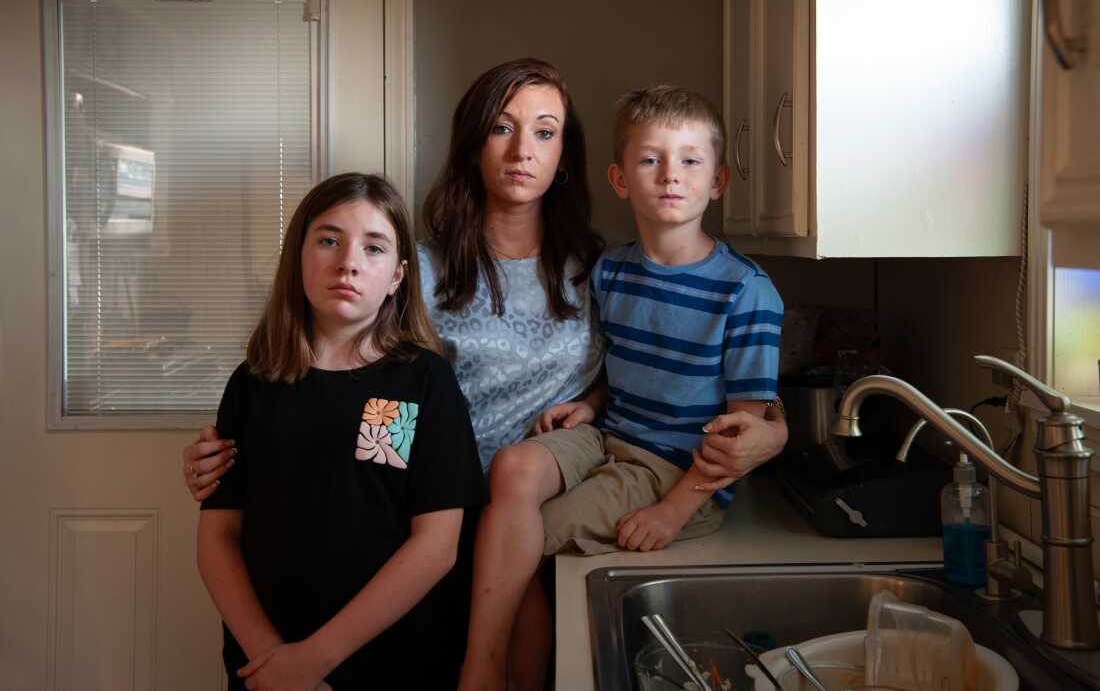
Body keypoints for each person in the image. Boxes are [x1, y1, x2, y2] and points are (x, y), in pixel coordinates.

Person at [182, 60, 788, 690]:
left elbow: (677, 368)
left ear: (564, 156)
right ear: (474, 142)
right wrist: (236, 454)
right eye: (502, 127)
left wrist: (772, 429)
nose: (524, 150)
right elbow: (347, 382)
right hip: (420, 528)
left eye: (545, 132)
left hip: (538, 517)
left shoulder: (596, 267)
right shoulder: (411, 267)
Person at [457, 85, 785, 691]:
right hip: (606, 439)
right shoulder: (611, 271)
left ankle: (490, 674)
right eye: (650, 160)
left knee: (519, 534)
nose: (669, 176)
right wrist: (591, 403)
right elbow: (621, 364)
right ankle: (486, 669)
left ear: (718, 181)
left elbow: (745, 431)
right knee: (514, 471)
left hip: (669, 468)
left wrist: (673, 509)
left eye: (690, 160)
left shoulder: (744, 290)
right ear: (619, 178)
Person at [196, 173, 487, 691]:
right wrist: (274, 659)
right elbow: (218, 535)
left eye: (373, 248)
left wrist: (315, 659)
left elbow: (436, 545)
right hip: (267, 664)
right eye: (328, 240)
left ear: (398, 276)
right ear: (298, 257)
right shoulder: (254, 382)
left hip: (396, 662)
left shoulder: (423, 381)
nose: (348, 261)